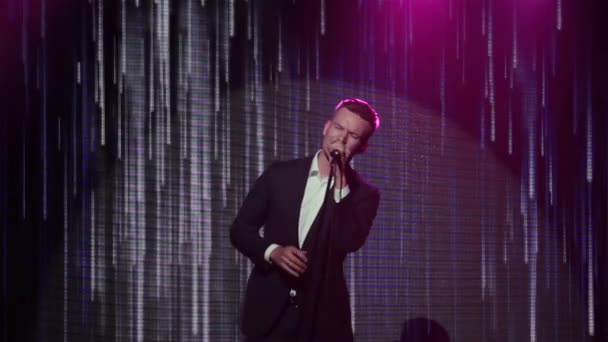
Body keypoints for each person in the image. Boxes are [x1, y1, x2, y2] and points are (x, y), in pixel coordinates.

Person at [230, 98, 381, 341]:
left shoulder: (364, 194)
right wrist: (273, 252)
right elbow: (240, 229)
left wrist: (341, 180)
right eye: (339, 128)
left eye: (352, 135)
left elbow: (348, 242)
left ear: (363, 147)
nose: (341, 139)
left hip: (322, 317)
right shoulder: (280, 174)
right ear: (326, 127)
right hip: (268, 311)